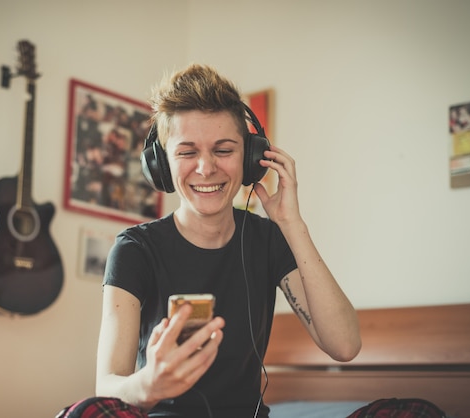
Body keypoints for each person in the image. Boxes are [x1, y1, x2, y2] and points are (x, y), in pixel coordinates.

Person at [94, 64, 361, 418]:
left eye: (224, 150)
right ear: (161, 165)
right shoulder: (135, 249)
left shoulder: (269, 240)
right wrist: (148, 385)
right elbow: (107, 386)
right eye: (187, 152)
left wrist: (291, 223)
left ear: (252, 159)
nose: (206, 168)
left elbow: (344, 346)